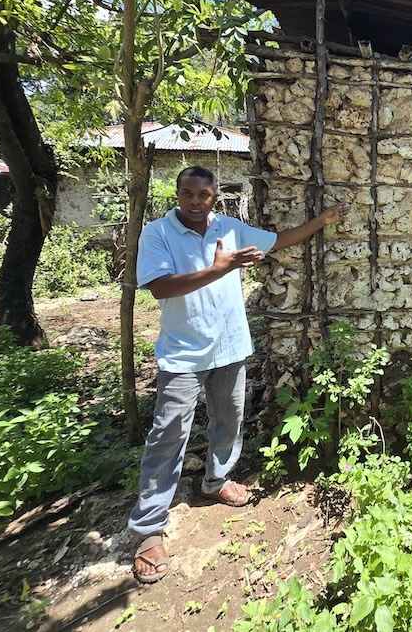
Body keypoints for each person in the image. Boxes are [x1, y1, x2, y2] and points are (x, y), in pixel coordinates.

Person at [129, 165, 349, 583]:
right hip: (182, 353)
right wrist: (221, 268)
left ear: (216, 197)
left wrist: (321, 222)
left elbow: (277, 241)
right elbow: (160, 287)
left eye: (204, 195)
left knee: (228, 421)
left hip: (229, 346)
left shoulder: (228, 227)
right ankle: (148, 529)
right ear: (177, 193)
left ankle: (215, 481)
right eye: (188, 193)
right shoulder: (158, 234)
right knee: (168, 435)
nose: (196, 201)